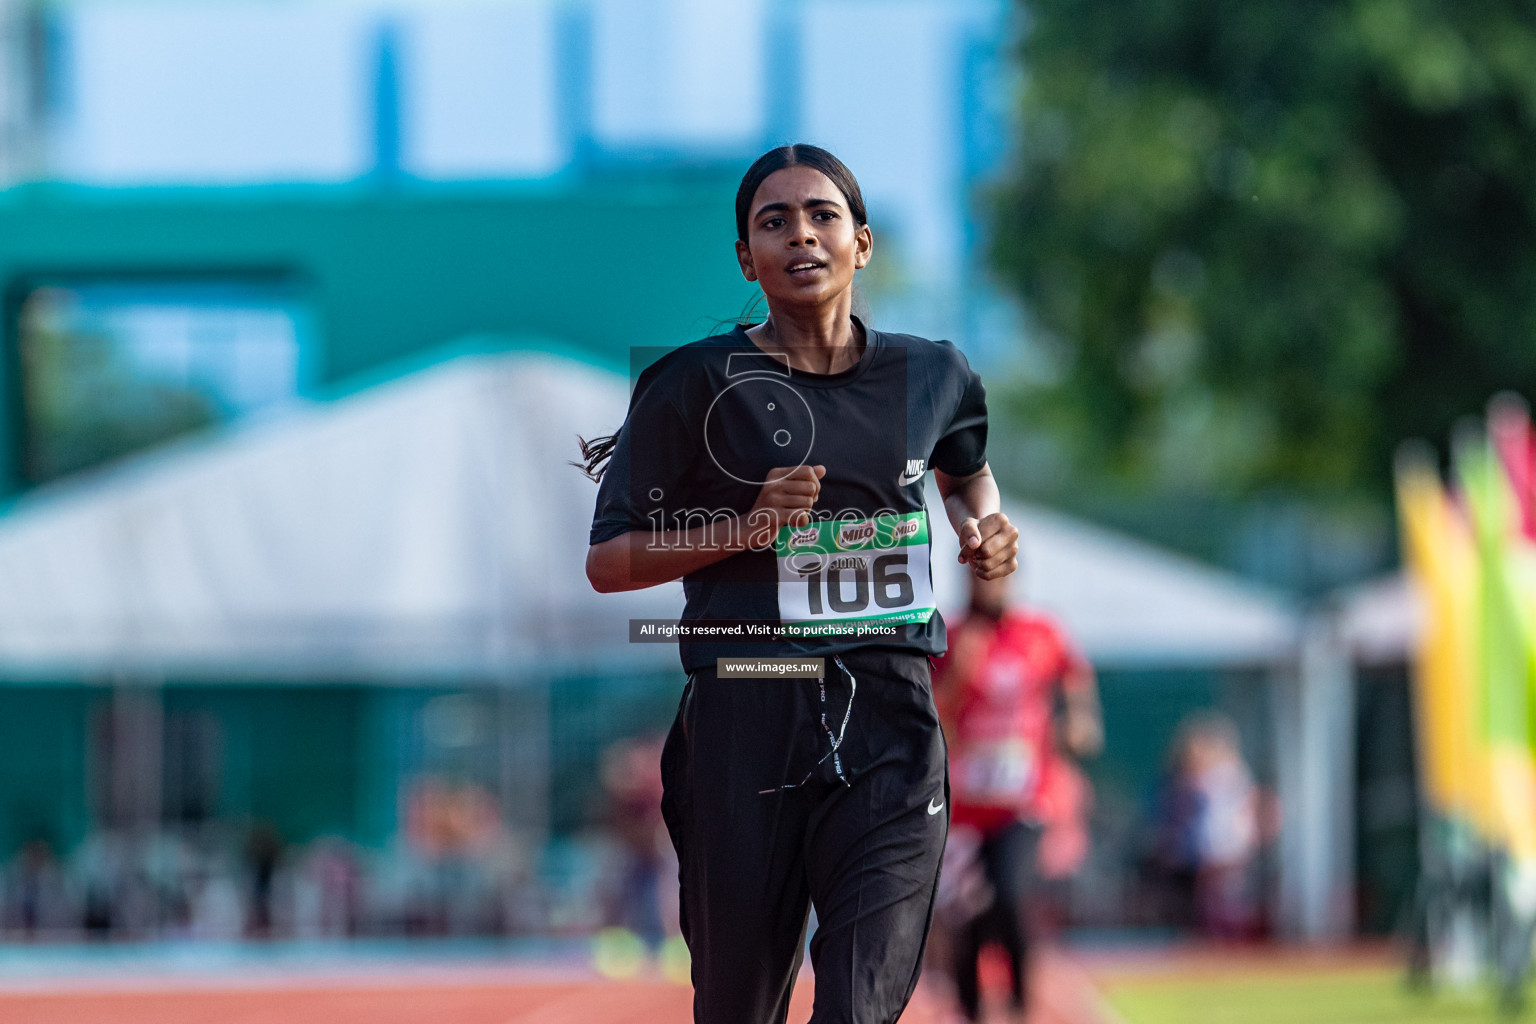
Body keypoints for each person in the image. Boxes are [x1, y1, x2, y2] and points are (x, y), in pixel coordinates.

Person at [580, 144, 1018, 1024]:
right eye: (773, 222)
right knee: (740, 1009)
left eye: (822, 216)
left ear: (862, 244)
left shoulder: (931, 373)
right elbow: (609, 561)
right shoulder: (693, 384)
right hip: (748, 710)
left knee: (859, 1007)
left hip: (891, 720)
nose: (800, 236)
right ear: (747, 258)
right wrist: (746, 527)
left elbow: (966, 469)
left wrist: (983, 526)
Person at [931, 573, 1100, 1023]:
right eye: (979, 577)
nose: (989, 587)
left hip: (1024, 800)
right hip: (967, 806)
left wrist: (1081, 720)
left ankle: (1021, 1006)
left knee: (1008, 894)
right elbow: (931, 709)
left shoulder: (1041, 633)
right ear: (966, 579)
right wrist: (959, 677)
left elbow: (1075, 676)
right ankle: (970, 1010)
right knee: (967, 914)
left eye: (998, 577)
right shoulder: (949, 637)